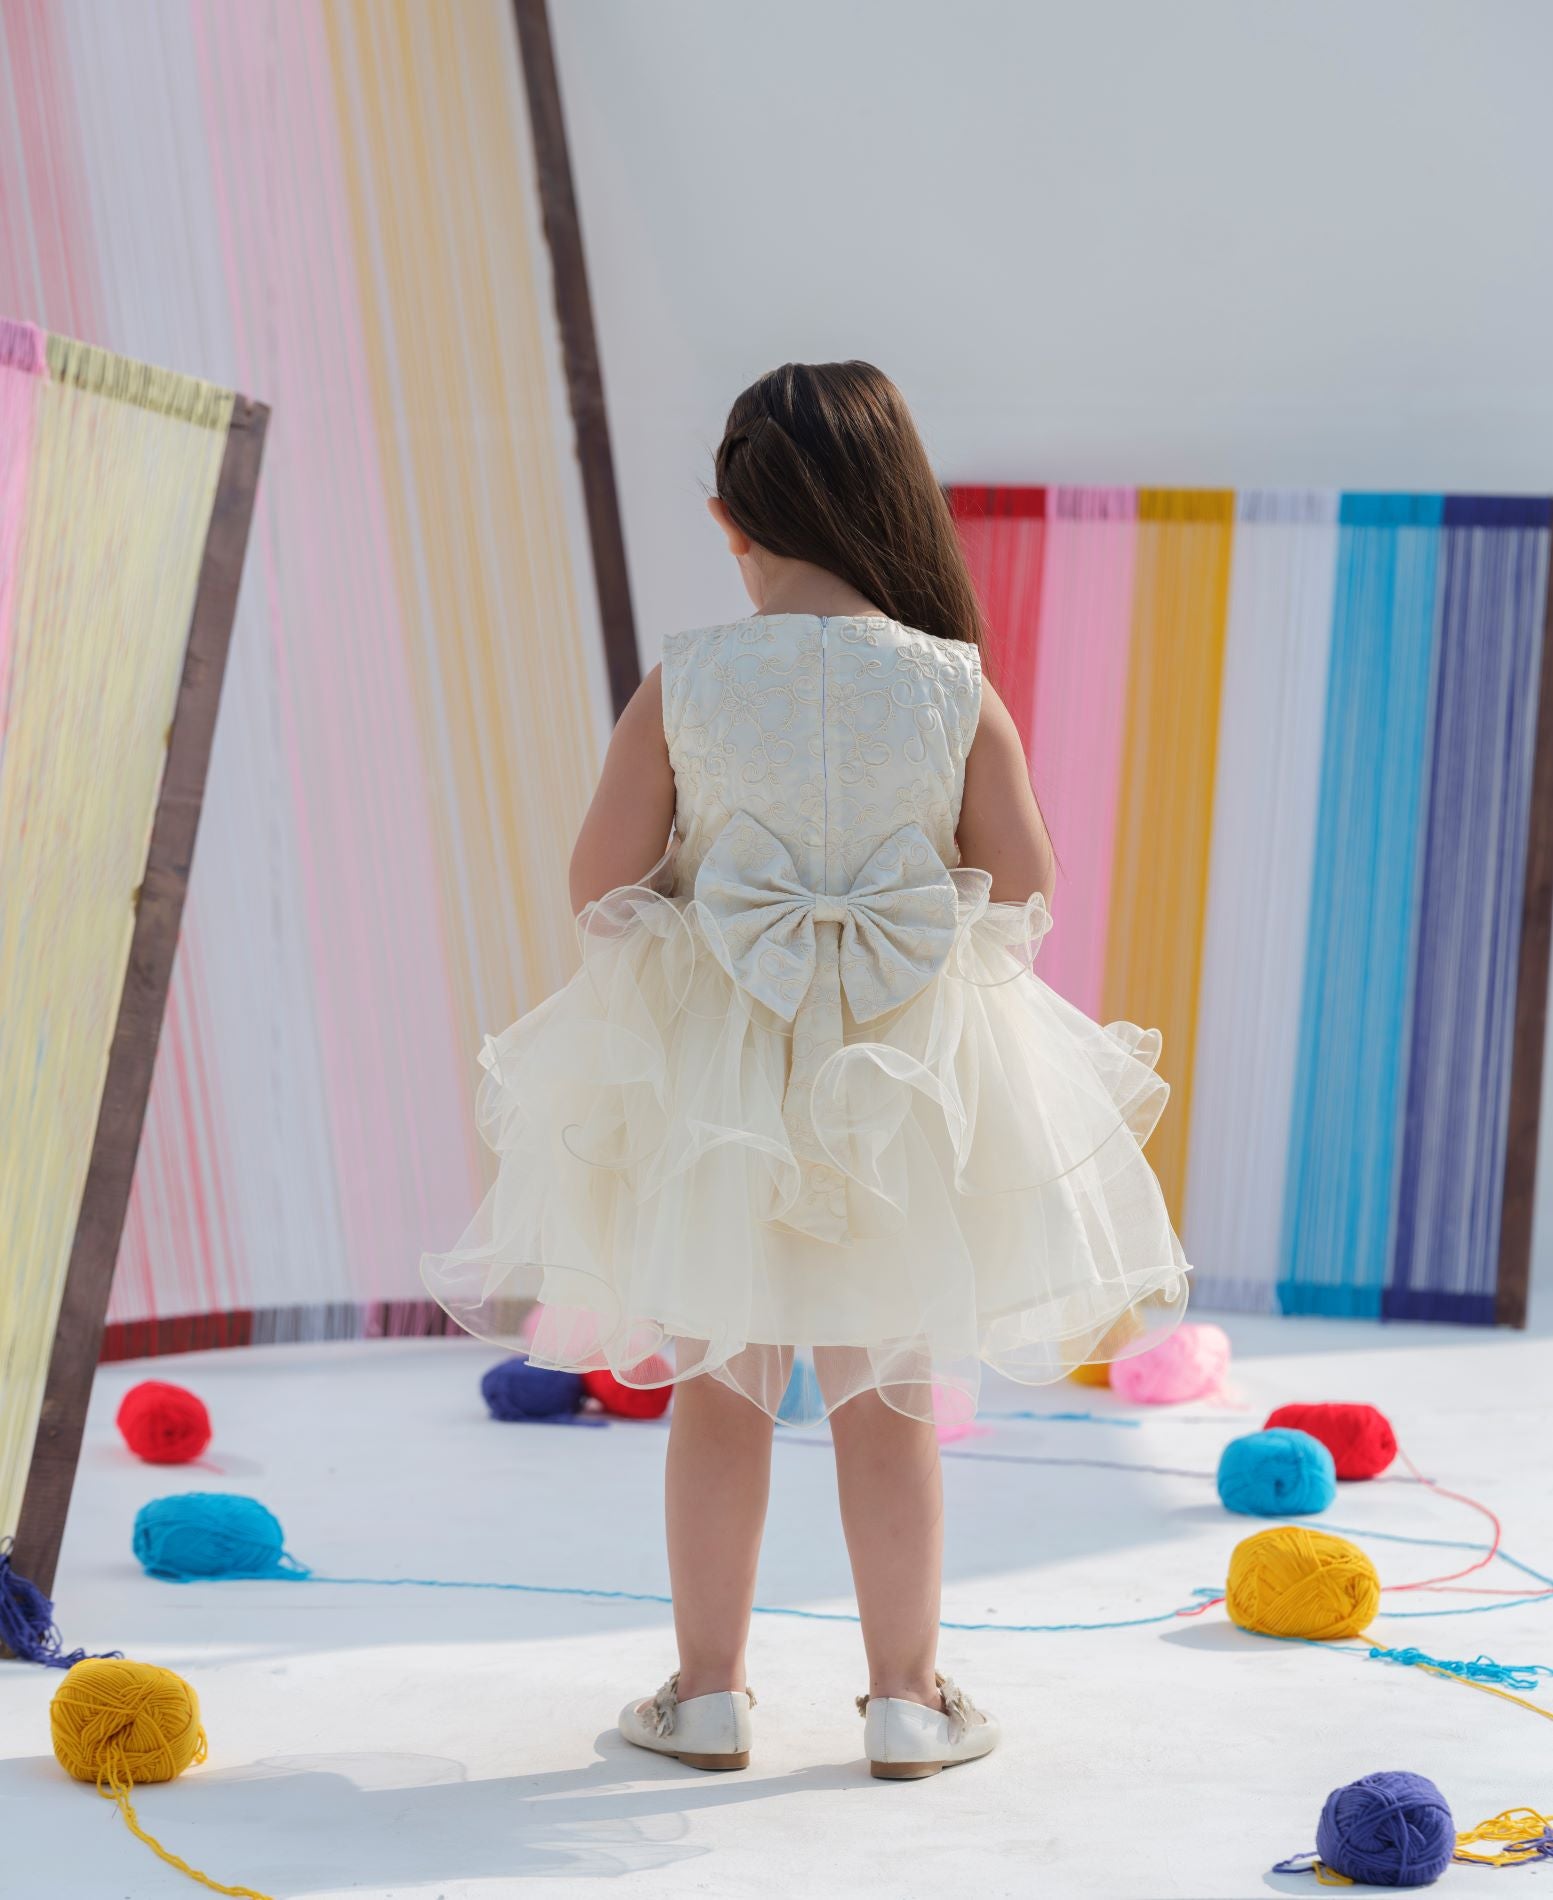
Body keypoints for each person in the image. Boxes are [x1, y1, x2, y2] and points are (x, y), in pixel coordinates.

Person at [422, 361, 1188, 1780]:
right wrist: (894, 921)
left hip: (717, 1091)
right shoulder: (952, 685)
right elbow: (1023, 891)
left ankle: (707, 1692)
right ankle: (906, 1698)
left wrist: (716, 916)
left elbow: (599, 889)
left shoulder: (690, 680)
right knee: (887, 1396)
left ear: (729, 516)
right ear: (893, 501)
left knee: (721, 1388)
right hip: (901, 1083)